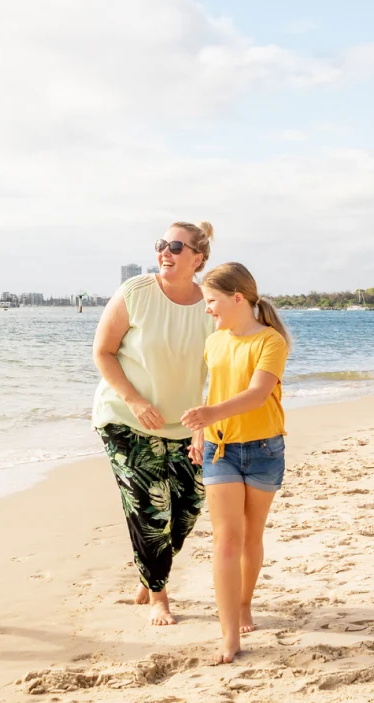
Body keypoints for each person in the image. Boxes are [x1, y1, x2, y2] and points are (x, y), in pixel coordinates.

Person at [90, 222, 218, 626]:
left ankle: (150, 573)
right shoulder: (135, 292)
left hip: (185, 424)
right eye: (162, 244)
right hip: (125, 417)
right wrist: (135, 399)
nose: (166, 251)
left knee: (189, 507)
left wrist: (202, 427)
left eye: (176, 246)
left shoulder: (209, 305)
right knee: (152, 510)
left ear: (198, 258)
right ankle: (160, 596)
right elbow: (103, 352)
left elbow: (218, 371)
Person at [179, 262, 291, 665]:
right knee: (226, 538)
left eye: (212, 301)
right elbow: (213, 391)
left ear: (237, 298)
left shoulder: (270, 342)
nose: (207, 309)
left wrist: (208, 416)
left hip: (264, 449)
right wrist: (199, 434)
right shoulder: (215, 341)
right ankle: (229, 634)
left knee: (250, 536)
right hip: (220, 448)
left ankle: (244, 604)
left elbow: (258, 393)